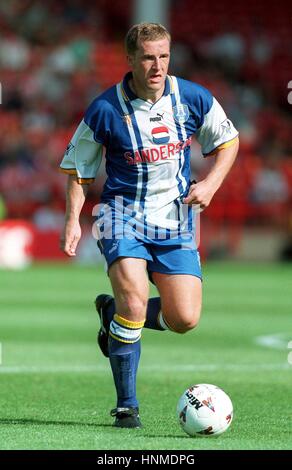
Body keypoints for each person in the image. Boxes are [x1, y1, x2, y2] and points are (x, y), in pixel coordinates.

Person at [59, 23, 239, 429]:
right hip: (120, 216)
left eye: (163, 56)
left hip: (175, 221)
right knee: (135, 303)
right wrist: (73, 219)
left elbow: (228, 141)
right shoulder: (104, 109)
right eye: (147, 57)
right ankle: (127, 406)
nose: (157, 66)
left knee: (185, 319)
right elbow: (78, 170)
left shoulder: (192, 98)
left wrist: (210, 183)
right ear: (130, 60)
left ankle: (113, 316)